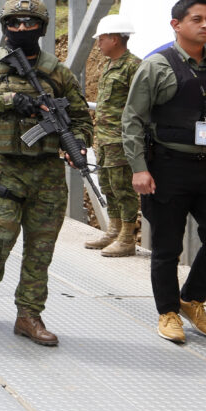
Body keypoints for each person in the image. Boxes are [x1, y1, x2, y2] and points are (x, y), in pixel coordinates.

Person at [0, 0, 92, 347]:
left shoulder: (57, 71)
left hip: (48, 172)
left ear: (42, 28)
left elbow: (80, 117)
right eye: (14, 23)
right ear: (4, 27)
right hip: (6, 167)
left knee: (41, 248)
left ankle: (28, 315)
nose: (22, 28)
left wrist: (77, 142)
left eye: (29, 23)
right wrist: (11, 101)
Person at [122, 0, 206, 344]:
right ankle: (167, 312)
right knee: (166, 247)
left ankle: (191, 299)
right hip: (166, 166)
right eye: (197, 19)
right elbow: (132, 120)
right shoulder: (155, 66)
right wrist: (138, 167)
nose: (205, 25)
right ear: (176, 25)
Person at [85, 15, 142, 257]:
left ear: (115, 39)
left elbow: (139, 105)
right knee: (108, 184)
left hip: (122, 140)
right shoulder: (109, 65)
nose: (98, 44)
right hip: (105, 139)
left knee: (122, 187)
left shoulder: (134, 66)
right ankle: (114, 230)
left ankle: (127, 238)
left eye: (102, 39)